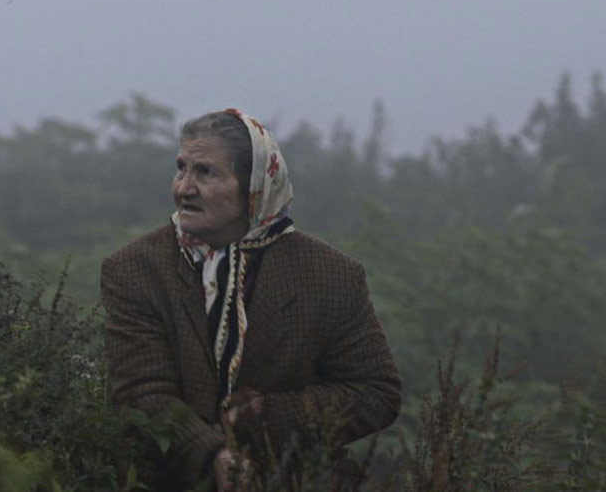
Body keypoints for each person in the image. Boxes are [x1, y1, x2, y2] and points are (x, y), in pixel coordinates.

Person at [101, 109, 401, 491]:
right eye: (181, 169)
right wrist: (211, 456)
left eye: (205, 172)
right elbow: (141, 391)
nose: (183, 188)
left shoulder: (332, 276)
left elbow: (375, 392)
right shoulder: (137, 268)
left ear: (253, 186)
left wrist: (270, 414)